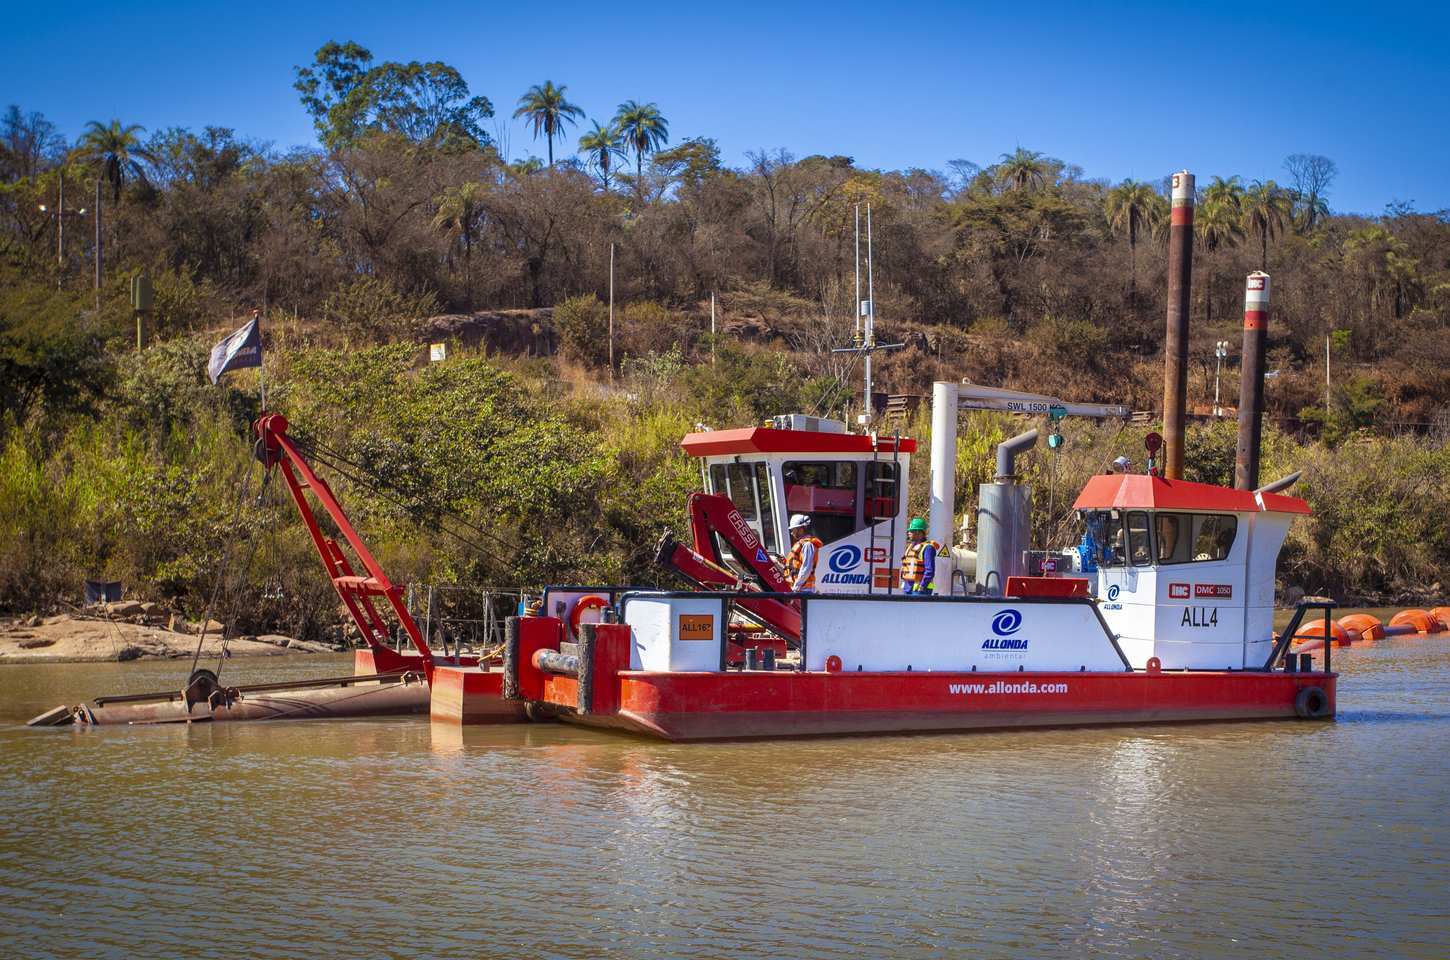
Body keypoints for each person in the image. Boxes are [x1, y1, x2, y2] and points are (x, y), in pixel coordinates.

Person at [900, 517, 942, 595]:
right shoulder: (911, 547)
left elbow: (929, 571)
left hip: (920, 590)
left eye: (911, 531)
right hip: (908, 588)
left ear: (918, 532)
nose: (908, 533)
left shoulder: (928, 548)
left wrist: (922, 585)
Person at [783, 514, 822, 592]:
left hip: (804, 589)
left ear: (800, 529)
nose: (792, 533)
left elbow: (806, 568)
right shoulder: (802, 544)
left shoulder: (808, 545)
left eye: (793, 530)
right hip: (800, 588)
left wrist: (796, 586)